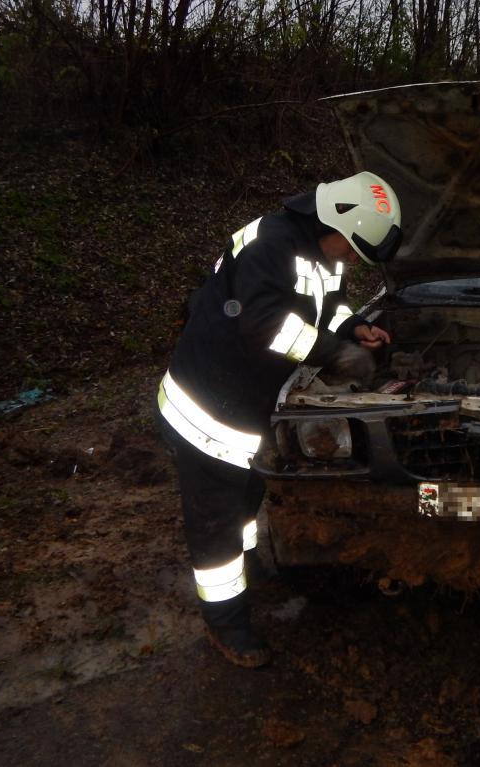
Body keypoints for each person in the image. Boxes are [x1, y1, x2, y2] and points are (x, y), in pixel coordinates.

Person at [156, 171, 402, 667]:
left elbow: (326, 305)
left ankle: (250, 566)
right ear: (334, 217)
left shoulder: (321, 250)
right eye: (352, 248)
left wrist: (356, 326)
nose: (350, 258)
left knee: (247, 499)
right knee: (216, 527)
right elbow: (267, 326)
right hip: (207, 411)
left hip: (246, 407)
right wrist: (336, 354)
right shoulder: (269, 245)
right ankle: (227, 626)